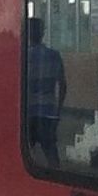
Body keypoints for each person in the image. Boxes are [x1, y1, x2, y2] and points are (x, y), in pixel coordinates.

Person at [26, 18, 67, 166]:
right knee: (51, 153)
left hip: (27, 113)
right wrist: (58, 111)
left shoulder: (23, 57)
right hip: (48, 112)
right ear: (42, 33)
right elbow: (62, 85)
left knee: (25, 155)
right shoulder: (54, 55)